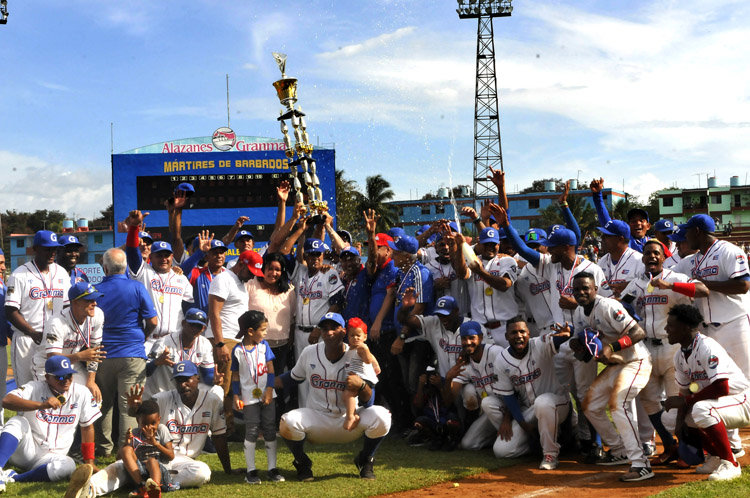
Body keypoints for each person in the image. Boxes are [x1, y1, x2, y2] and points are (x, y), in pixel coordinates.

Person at [82, 361, 237, 497]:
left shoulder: (212, 400)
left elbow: (219, 437)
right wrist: (134, 408)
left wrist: (228, 470)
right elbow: (143, 413)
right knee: (121, 465)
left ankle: (145, 481)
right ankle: (87, 489)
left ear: (197, 378)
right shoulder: (163, 398)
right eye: (179, 380)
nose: (183, 384)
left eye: (187, 379)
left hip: (183, 462)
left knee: (202, 472)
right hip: (153, 456)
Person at [620, 239, 709, 465]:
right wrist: (629, 310)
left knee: (678, 402)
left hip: (672, 349)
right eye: (647, 253)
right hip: (646, 349)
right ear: (642, 257)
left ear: (664, 257)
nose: (651, 256)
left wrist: (671, 287)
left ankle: (691, 450)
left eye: (656, 253)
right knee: (649, 401)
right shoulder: (636, 284)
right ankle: (670, 445)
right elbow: (623, 307)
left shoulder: (674, 278)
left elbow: (702, 290)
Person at [276, 312, 391, 481]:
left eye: (334, 328)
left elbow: (369, 401)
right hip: (317, 419)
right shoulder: (310, 352)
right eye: (324, 329)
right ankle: (302, 462)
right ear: (320, 332)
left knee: (382, 416)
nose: (329, 333)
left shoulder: (357, 354)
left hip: (350, 421)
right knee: (288, 422)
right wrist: (262, 382)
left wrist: (362, 386)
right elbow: (291, 378)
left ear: (344, 331)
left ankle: (365, 459)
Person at [569, 272, 654, 482]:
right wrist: (577, 346)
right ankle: (619, 450)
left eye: (585, 288)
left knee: (618, 404)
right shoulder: (580, 312)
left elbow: (638, 332)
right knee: (590, 404)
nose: (581, 292)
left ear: (595, 289)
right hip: (617, 364)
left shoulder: (608, 306)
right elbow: (582, 343)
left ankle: (641, 463)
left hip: (637, 360)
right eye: (577, 289)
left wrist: (611, 347)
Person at [663, 304, 750, 481]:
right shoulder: (680, 355)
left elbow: (721, 387)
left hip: (742, 400)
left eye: (671, 325)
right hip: (722, 404)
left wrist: (687, 401)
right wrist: (680, 426)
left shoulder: (707, 347)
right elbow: (683, 391)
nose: (666, 329)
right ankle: (716, 457)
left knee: (702, 409)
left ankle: (730, 463)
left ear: (686, 327)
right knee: (670, 419)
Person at [0, 356, 100, 492]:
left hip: (52, 457)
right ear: (47, 377)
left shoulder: (81, 393)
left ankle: (14, 478)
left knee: (69, 464)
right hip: (28, 449)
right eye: (59, 377)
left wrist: (89, 462)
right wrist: (41, 405)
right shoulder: (35, 387)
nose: (66, 380)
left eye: (69, 375)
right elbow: (7, 401)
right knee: (17, 422)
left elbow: (87, 427)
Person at [94, 248, 158, 456]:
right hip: (132, 352)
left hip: (103, 353)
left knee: (103, 404)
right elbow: (153, 321)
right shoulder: (137, 288)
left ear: (105, 268)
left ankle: (104, 449)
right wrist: (143, 336)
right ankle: (126, 450)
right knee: (129, 406)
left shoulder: (96, 290)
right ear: (125, 268)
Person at [486, 317, 571, 470]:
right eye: (513, 333)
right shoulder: (501, 360)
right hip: (529, 411)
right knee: (501, 451)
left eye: (522, 331)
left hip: (557, 404)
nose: (518, 336)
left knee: (543, 402)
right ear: (506, 337)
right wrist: (524, 425)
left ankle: (550, 454)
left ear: (529, 333)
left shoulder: (539, 344)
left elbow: (560, 338)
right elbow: (509, 397)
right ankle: (541, 445)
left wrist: (567, 333)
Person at [5, 230, 71, 387]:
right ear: (35, 249)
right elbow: (10, 310)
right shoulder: (19, 274)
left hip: (54, 340)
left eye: (54, 249)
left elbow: (68, 305)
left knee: (55, 387)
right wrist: (32, 332)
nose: (52, 252)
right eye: (47, 248)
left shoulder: (61, 272)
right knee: (27, 389)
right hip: (27, 339)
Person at [124, 210, 194, 350]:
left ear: (171, 256)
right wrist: (133, 227)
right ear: (152, 256)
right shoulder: (143, 272)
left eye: (167, 255)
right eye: (159, 255)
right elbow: (132, 250)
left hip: (174, 339)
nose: (163, 259)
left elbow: (189, 307)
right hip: (147, 338)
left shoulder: (181, 278)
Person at [208, 249, 261, 434]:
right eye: (251, 271)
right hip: (224, 340)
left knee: (230, 389)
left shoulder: (239, 281)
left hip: (234, 340)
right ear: (241, 264)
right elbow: (214, 313)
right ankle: (214, 431)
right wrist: (220, 343)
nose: (252, 276)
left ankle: (227, 429)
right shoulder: (223, 279)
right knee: (221, 388)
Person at [289, 237, 345, 406]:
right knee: (302, 375)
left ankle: (324, 412)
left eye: (318, 254)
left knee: (321, 373)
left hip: (320, 333)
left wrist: (319, 328)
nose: (315, 258)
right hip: (300, 333)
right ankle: (305, 414)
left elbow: (337, 304)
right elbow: (285, 252)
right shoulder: (300, 272)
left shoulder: (329, 273)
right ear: (305, 256)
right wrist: (301, 230)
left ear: (322, 255)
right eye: (311, 254)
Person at [231, 310, 283, 484]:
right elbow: (236, 376)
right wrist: (236, 395)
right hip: (248, 398)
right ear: (250, 331)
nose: (265, 333)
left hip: (268, 395)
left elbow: (270, 369)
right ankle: (251, 471)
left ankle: (272, 468)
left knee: (269, 428)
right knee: (252, 431)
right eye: (263, 329)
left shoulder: (264, 346)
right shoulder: (237, 351)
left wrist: (269, 390)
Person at [31, 282, 106, 403]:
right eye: (89, 300)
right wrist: (80, 356)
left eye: (95, 299)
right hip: (46, 366)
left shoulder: (97, 315)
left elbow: (94, 351)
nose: (94, 303)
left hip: (72, 365)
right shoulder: (56, 322)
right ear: (75, 302)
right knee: (53, 402)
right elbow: (52, 358)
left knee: (90, 398)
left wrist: (91, 381)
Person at [245, 252, 296, 417]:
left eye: (277, 269)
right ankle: (256, 422)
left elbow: (293, 319)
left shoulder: (289, 290)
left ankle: (276, 421)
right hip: (256, 347)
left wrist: (290, 341)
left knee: (277, 385)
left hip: (280, 347)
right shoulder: (251, 285)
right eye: (269, 268)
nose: (273, 273)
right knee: (257, 384)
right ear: (263, 269)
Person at [443, 321, 504, 451]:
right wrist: (448, 379)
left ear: (481, 338)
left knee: (487, 402)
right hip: (492, 410)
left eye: (472, 338)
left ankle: (513, 437)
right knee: (468, 444)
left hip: (510, 405)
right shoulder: (464, 364)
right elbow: (448, 400)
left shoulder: (495, 352)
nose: (467, 342)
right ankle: (498, 439)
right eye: (464, 339)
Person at [452, 227, 518, 347]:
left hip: (505, 326)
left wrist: (481, 272)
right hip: (480, 328)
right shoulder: (474, 260)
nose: (490, 247)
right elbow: (461, 274)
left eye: (493, 244)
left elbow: (505, 285)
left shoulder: (507, 261)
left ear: (499, 244)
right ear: (479, 245)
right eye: (486, 244)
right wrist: (460, 246)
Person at [144, 307, 215, 398]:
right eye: (192, 324)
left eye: (199, 326)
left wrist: (213, 379)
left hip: (184, 392)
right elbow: (144, 372)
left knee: (216, 389)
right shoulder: (163, 343)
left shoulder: (205, 344)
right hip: (161, 393)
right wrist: (156, 362)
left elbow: (207, 374)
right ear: (183, 323)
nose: (195, 329)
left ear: (203, 328)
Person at [118, 400, 174, 497]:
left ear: (159, 420)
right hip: (140, 473)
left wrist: (156, 444)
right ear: (137, 421)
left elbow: (171, 456)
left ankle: (155, 490)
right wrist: (126, 443)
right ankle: (142, 487)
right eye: (144, 423)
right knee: (126, 449)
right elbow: (119, 457)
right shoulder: (135, 433)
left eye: (153, 423)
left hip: (160, 472)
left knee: (151, 461)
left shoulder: (161, 430)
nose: (149, 427)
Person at [407, 365, 461, 451]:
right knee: (419, 422)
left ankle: (452, 440)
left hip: (445, 417)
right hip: (432, 419)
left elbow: (448, 403)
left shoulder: (443, 382)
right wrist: (421, 385)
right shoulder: (424, 386)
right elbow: (419, 404)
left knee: (452, 420)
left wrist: (439, 386)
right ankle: (435, 439)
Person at [590, 178, 650, 253]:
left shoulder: (655, 244)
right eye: (633, 221)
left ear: (648, 226)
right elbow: (606, 221)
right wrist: (597, 194)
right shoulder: (625, 242)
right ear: (628, 225)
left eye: (641, 220)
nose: (638, 223)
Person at [342, 318, 380, 431]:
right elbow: (372, 359)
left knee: (348, 394)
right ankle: (354, 415)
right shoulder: (350, 349)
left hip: (363, 378)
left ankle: (350, 417)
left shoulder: (362, 348)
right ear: (348, 337)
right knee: (346, 396)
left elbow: (368, 360)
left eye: (358, 335)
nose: (355, 338)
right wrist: (376, 365)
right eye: (352, 335)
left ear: (365, 336)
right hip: (355, 377)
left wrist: (366, 350)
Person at [180, 231, 228, 314]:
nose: (219, 256)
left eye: (221, 252)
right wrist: (200, 253)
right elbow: (182, 273)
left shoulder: (230, 275)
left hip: (224, 323)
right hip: (201, 323)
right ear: (206, 256)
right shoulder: (197, 273)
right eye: (215, 253)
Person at [596, 219, 644, 298]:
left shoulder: (639, 261)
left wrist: (628, 286)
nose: (602, 239)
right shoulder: (602, 261)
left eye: (607, 236)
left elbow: (646, 288)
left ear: (620, 239)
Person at [0, 249, 8, 426]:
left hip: (1, 344)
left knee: (1, 391)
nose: (3, 267)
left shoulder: (4, 286)